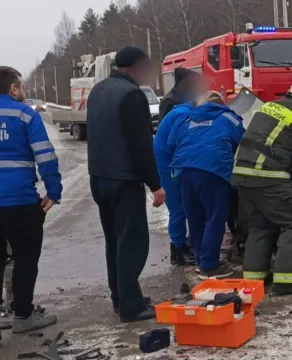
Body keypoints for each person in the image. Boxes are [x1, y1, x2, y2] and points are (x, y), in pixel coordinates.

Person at [86, 46, 165, 323]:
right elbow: (140, 144)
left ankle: (121, 297)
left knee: (115, 241)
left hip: (99, 178)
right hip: (124, 179)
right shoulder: (132, 95)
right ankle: (131, 306)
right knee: (132, 243)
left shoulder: (98, 91)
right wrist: (155, 184)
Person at [233, 79, 292, 296]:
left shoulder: (268, 107)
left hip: (243, 176)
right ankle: (287, 282)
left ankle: (254, 279)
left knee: (261, 225)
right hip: (269, 177)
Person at [0, 66, 62, 333]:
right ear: (13, 88)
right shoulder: (25, 115)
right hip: (20, 203)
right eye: (21, 86)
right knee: (25, 259)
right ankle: (23, 316)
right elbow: (45, 156)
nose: (23, 91)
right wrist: (53, 192)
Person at [169, 91, 245, 279]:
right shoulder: (229, 117)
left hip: (185, 171)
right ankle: (209, 265)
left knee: (194, 217)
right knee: (215, 217)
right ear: (222, 103)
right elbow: (243, 141)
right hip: (214, 170)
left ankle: (199, 259)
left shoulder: (186, 119)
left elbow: (172, 142)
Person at [154, 99, 197, 266]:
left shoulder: (181, 111)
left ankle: (181, 244)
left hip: (167, 162)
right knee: (177, 208)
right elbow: (174, 141)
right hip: (168, 165)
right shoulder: (184, 114)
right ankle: (177, 251)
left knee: (180, 207)